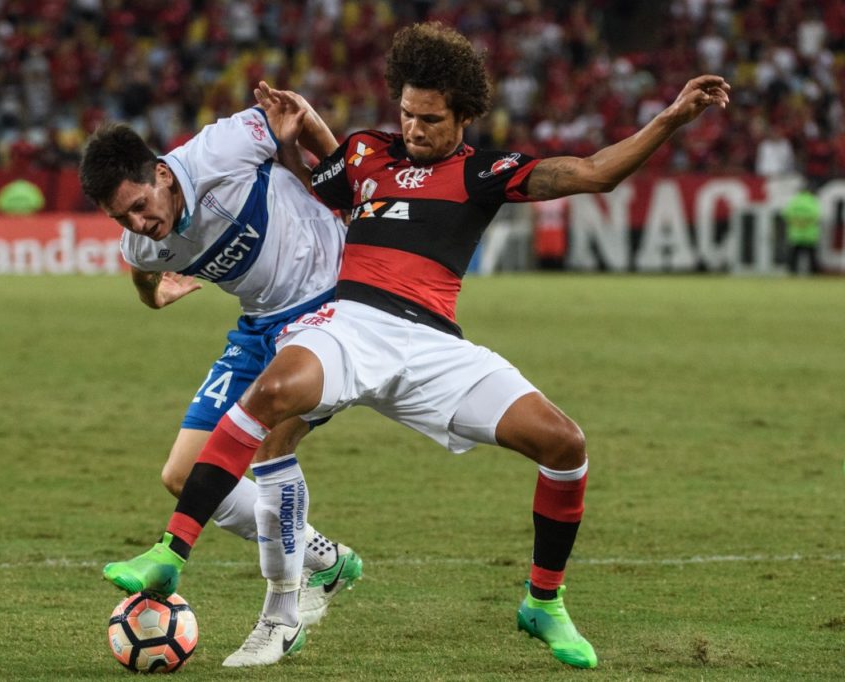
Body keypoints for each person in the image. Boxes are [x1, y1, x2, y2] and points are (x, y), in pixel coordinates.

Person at [103, 22, 731, 670]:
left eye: (430, 119)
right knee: (272, 398)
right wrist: (294, 138)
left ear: (463, 115)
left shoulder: (484, 173)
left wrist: (671, 120)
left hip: (433, 348)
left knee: (564, 443)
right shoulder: (368, 154)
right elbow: (306, 191)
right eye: (406, 113)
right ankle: (176, 557)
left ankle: (543, 601)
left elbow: (594, 173)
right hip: (348, 324)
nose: (414, 129)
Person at [79, 101, 364, 664]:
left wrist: (343, 190)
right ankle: (325, 560)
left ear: (161, 172)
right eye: (122, 218)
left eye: (138, 206)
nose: (137, 223)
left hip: (330, 308)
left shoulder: (222, 149)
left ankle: (279, 619)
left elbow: (297, 113)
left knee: (269, 450)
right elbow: (142, 265)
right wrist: (153, 296)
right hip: (260, 327)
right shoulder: (142, 239)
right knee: (182, 473)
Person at [781, 183, 821, 275]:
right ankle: (813, 273)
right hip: (809, 234)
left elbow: (786, 215)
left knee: (794, 256)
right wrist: (805, 223)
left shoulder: (794, 201)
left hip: (796, 233)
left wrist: (797, 223)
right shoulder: (812, 201)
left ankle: (792, 272)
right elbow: (816, 216)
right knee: (811, 256)